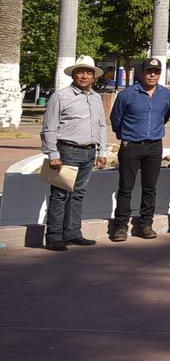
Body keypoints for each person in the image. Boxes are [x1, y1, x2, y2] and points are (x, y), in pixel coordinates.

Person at [41, 56, 109, 250]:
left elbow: (101, 126)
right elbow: (49, 127)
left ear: (94, 77)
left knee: (78, 194)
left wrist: (102, 151)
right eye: (80, 71)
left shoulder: (96, 98)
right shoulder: (61, 96)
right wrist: (53, 154)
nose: (84, 76)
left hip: (88, 152)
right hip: (67, 151)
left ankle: (72, 233)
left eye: (89, 72)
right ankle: (54, 236)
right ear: (73, 74)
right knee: (60, 195)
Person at [108, 57, 170, 242]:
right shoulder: (127, 94)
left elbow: (165, 116)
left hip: (154, 146)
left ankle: (146, 224)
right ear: (142, 72)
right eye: (148, 71)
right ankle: (120, 226)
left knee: (150, 187)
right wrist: (127, 135)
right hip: (131, 145)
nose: (152, 75)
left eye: (156, 71)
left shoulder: (166, 95)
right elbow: (116, 119)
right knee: (125, 188)